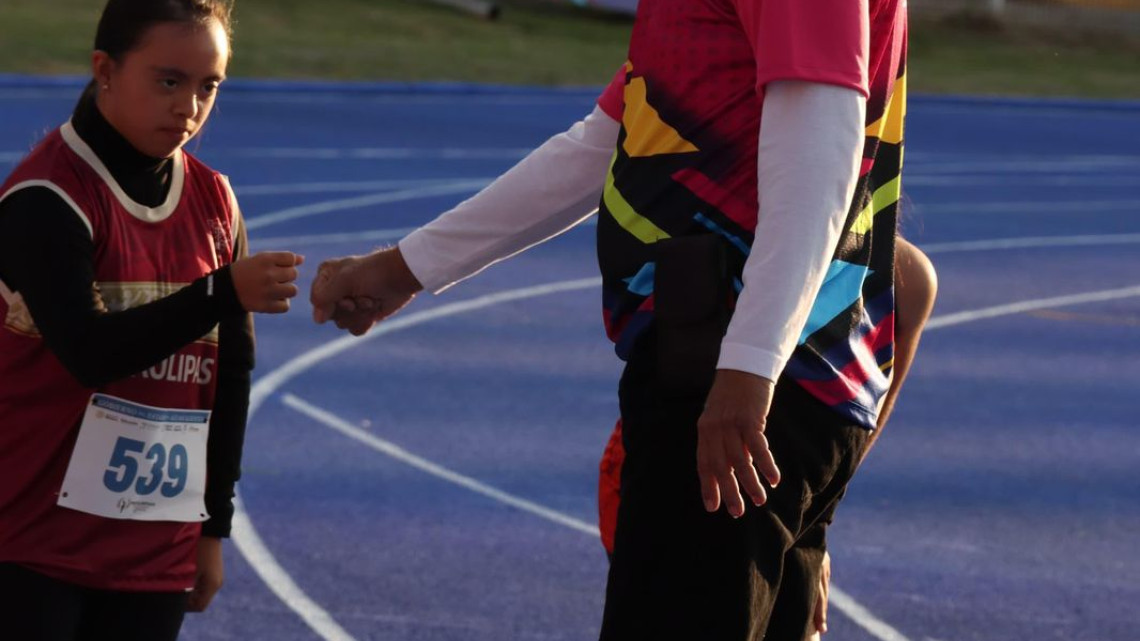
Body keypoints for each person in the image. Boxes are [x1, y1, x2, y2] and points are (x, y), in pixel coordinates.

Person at [311, 0, 909, 638]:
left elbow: (820, 139)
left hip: (739, 384)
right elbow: (607, 140)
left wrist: (749, 368)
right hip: (739, 372)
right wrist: (403, 268)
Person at [0, 1, 303, 639]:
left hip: (155, 550)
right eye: (169, 81)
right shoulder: (47, 199)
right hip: (29, 545)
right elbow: (90, 351)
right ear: (105, 69)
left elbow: (232, 376)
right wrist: (221, 291)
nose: (189, 106)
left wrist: (213, 528)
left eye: (209, 86)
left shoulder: (216, 201)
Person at [596, 237, 938, 639]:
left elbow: (862, 424)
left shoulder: (907, 277)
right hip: (674, 472)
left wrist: (813, 524)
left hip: (776, 493)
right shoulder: (727, 218)